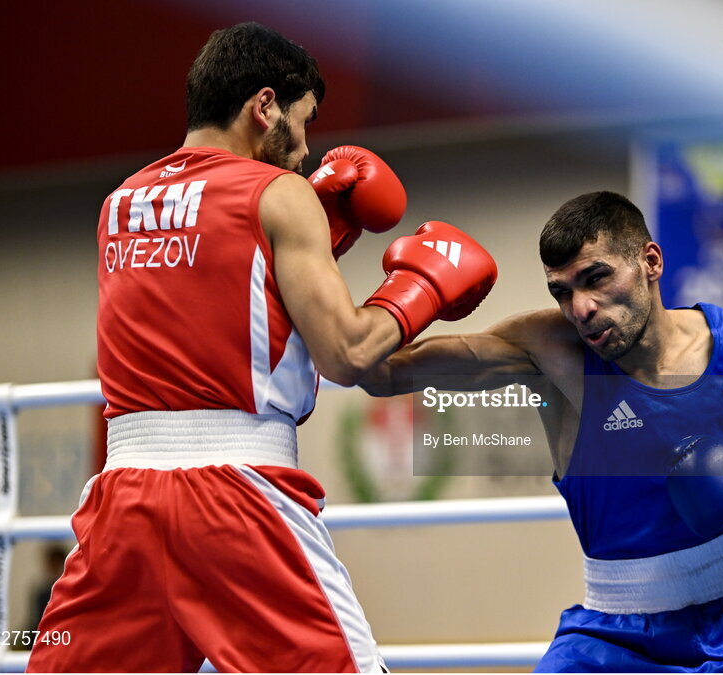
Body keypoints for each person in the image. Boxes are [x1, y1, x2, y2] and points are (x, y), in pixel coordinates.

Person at [27, 22, 497, 673]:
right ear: (264, 105)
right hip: (234, 497)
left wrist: (320, 241)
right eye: (302, 124)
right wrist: (421, 287)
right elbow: (348, 352)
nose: (305, 151)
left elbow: (213, 302)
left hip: (122, 501)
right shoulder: (279, 193)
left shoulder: (119, 204)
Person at [360, 191, 723, 672]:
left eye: (596, 278)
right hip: (615, 639)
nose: (581, 308)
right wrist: (414, 293)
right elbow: (377, 371)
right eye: (562, 291)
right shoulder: (550, 351)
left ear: (650, 261)